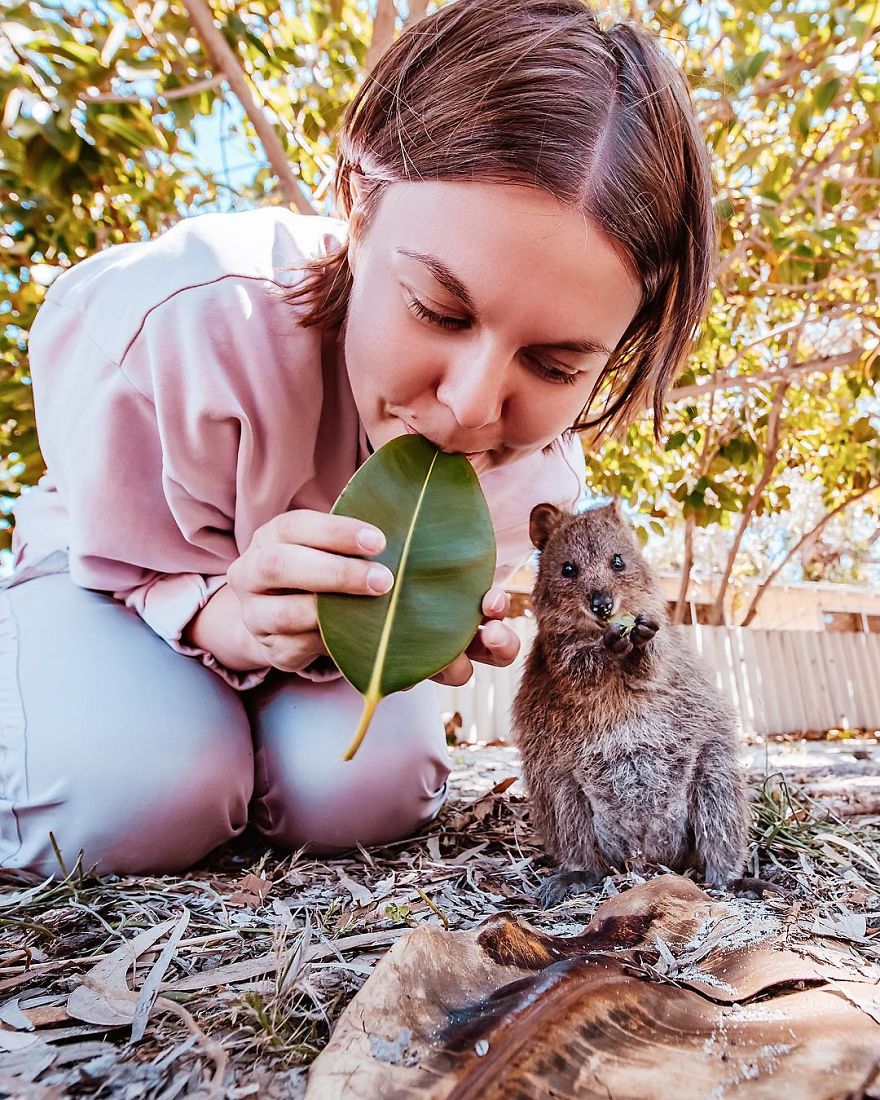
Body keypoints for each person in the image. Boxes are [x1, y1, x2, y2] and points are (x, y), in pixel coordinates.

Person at [0, 0, 715, 878]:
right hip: (111, 589)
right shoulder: (178, 323)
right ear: (359, 208)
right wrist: (231, 617)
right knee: (137, 791)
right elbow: (121, 559)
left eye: (558, 364)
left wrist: (433, 631)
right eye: (437, 310)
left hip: (314, 662)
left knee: (370, 792)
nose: (468, 406)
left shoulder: (540, 479)